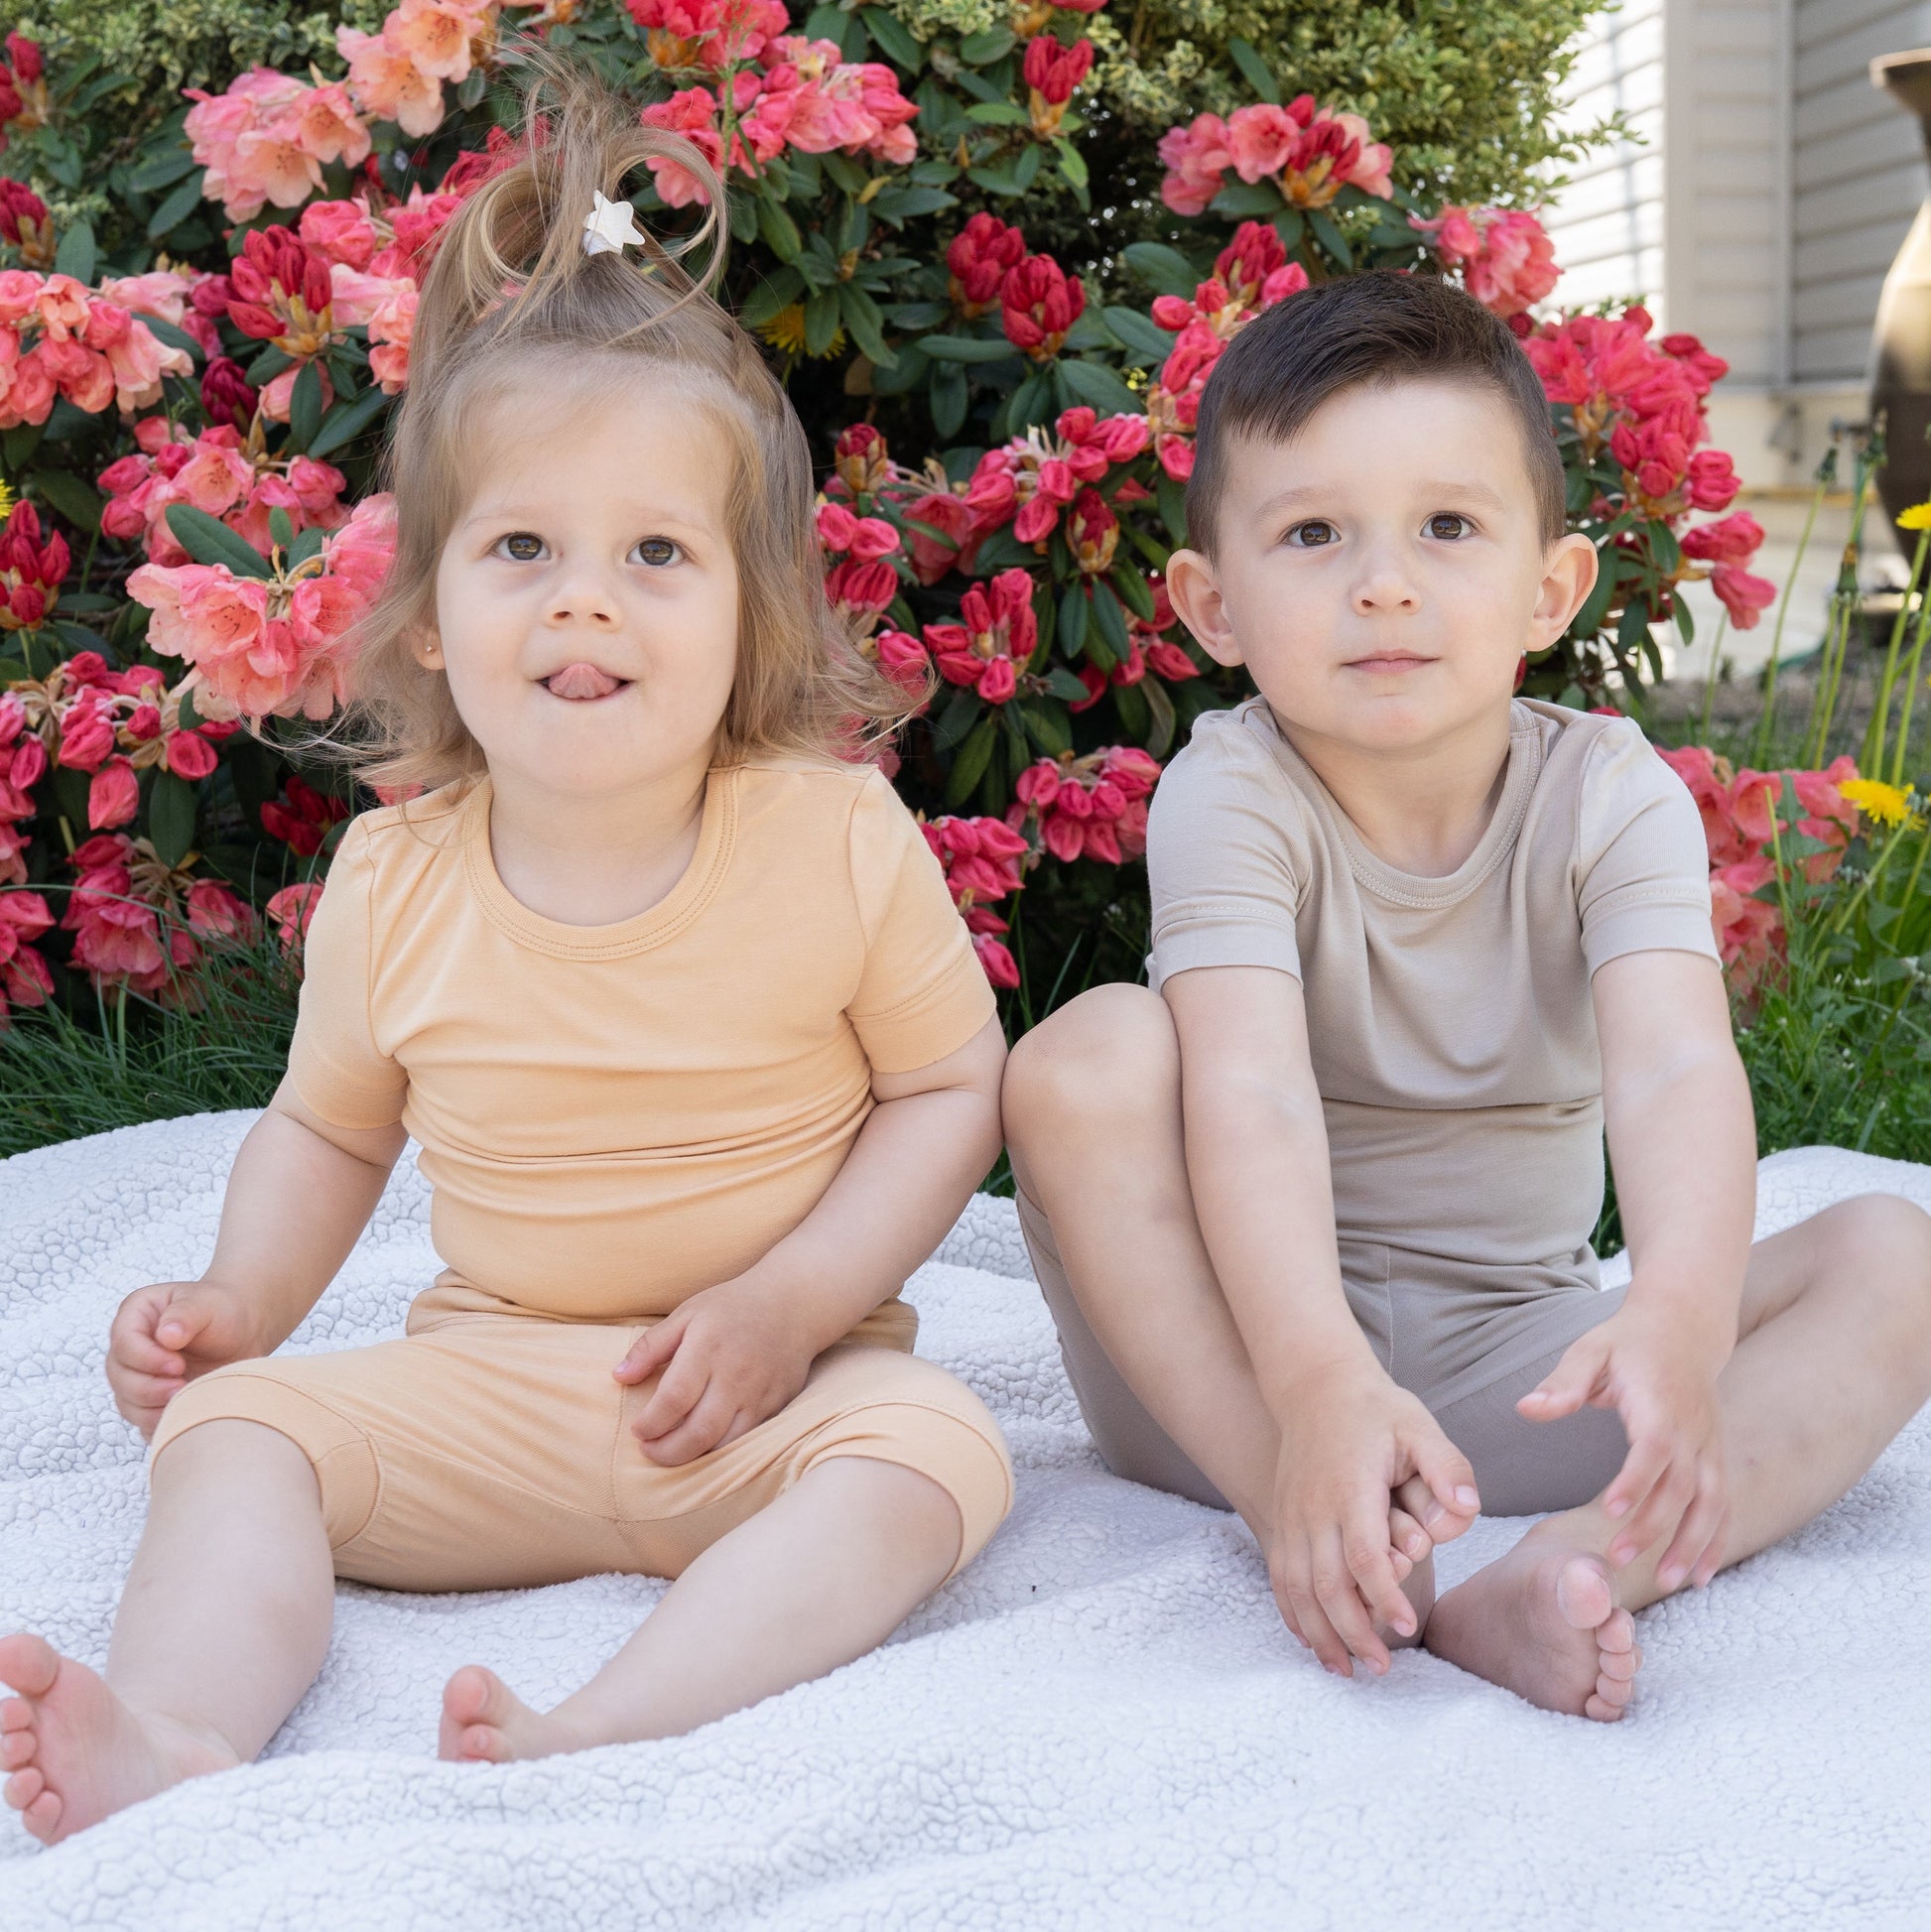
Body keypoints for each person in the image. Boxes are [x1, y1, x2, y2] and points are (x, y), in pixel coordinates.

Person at [0, 68, 1011, 1847]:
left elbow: (948, 1086)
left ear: (754, 608)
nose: (582, 600)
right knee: (234, 1438)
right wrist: (241, 1312)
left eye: (653, 555)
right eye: (523, 548)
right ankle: (172, 1734)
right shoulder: (399, 878)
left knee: (937, 1455)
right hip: (500, 1382)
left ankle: (604, 1728)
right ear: (430, 607)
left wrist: (792, 1303)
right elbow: (328, 1136)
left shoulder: (829, 835)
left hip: (778, 1385)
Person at [1002, 269, 1931, 1722]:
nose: (1383, 581)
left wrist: (1679, 1323)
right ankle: (1322, 1529)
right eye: (1312, 534)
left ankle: (1567, 1572)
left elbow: (1677, 1071)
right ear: (1213, 604)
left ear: (1549, 589)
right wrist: (1309, 1399)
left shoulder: (1608, 795)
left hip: (1514, 1376)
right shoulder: (1231, 793)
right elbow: (1242, 1091)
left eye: (1446, 527)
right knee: (1085, 1056)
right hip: (1231, 1379)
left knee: (1894, 1251)